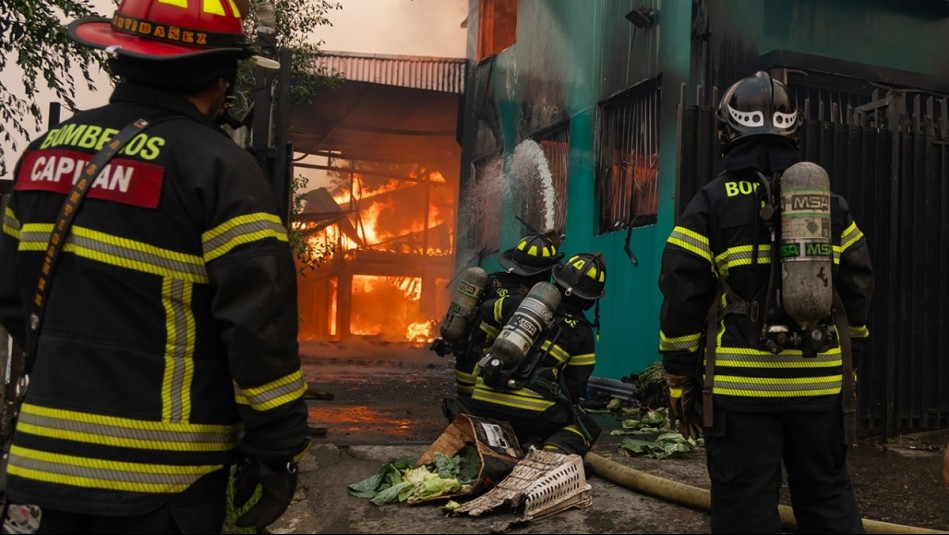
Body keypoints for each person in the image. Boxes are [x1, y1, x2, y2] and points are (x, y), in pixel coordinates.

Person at [0, 0, 311, 532]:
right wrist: (277, 446)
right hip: (163, 481)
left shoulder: (42, 156)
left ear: (121, 58)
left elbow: (12, 299)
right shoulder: (219, 169)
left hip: (40, 469)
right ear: (220, 77)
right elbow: (259, 328)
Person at [657, 70, 875, 533]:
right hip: (819, 386)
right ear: (794, 130)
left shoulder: (710, 203)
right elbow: (857, 284)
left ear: (727, 131)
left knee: (744, 507)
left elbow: (682, 292)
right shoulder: (830, 204)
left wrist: (679, 376)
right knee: (828, 497)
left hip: (743, 392)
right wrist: (849, 362)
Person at [468, 252, 606, 457]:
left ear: (556, 278)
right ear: (590, 300)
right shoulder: (582, 332)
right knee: (586, 424)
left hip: (481, 402)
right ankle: (551, 452)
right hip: (532, 415)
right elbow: (574, 387)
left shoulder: (517, 304)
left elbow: (484, 313)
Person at [433, 231, 564, 418]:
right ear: (545, 272)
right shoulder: (524, 303)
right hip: (485, 383)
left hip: (464, 370)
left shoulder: (491, 283)